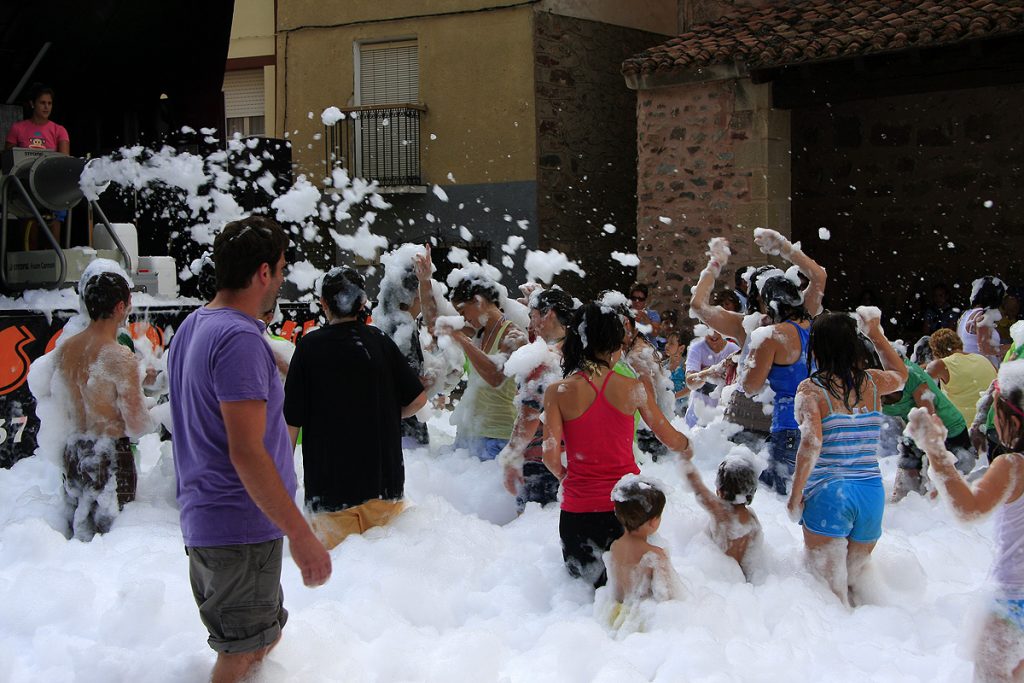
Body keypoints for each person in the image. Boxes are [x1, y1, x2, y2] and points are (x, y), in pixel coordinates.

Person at [167, 216, 331, 683]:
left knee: (259, 639)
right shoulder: (238, 338)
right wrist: (300, 534)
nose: (281, 279)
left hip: (215, 520)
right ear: (263, 273)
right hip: (238, 525)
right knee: (240, 654)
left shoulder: (195, 325)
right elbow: (247, 451)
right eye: (280, 269)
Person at [542, 301, 691, 587]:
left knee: (581, 597)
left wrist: (570, 479)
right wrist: (688, 445)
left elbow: (550, 457)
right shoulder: (633, 388)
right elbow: (668, 437)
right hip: (626, 510)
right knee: (631, 593)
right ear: (613, 344)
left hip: (577, 515)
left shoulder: (557, 392)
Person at [284, 267, 427, 549]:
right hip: (383, 484)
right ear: (362, 303)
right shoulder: (379, 342)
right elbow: (418, 400)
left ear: (323, 303)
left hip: (329, 489)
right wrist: (385, 413)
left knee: (338, 572)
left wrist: (283, 474)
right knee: (384, 567)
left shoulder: (309, 348)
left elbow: (292, 420)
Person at [906, 363, 1024, 683]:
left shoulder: (1013, 466)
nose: (992, 422)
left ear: (1013, 422)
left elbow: (968, 510)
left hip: (1013, 602)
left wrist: (935, 450)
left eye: (995, 415)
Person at [787, 310, 908, 607]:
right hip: (871, 495)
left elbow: (811, 444)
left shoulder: (810, 390)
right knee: (857, 588)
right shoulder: (873, 382)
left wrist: (795, 495)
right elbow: (902, 376)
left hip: (830, 493)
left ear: (816, 348)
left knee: (828, 598)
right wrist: (876, 333)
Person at [48, 271, 153, 541]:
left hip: (74, 454)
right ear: (120, 306)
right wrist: (155, 410)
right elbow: (137, 423)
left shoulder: (65, 350)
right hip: (110, 457)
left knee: (78, 536)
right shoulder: (119, 356)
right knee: (114, 543)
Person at [499, 287, 575, 513]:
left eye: (532, 316)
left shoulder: (543, 361)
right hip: (576, 457)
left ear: (548, 314)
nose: (530, 324)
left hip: (542, 461)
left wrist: (511, 456)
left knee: (530, 528)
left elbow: (529, 417)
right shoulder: (582, 354)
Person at [441, 270, 527, 460]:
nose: (463, 319)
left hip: (496, 437)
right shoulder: (479, 332)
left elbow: (496, 377)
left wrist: (463, 341)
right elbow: (434, 321)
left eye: (463, 312)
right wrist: (424, 280)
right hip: (468, 432)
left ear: (478, 301)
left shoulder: (513, 334)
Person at [741, 274, 812, 494]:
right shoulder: (819, 328)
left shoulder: (772, 336)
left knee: (779, 495)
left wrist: (752, 352)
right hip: (822, 420)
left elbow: (750, 386)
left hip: (789, 424)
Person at [885, 352, 973, 501]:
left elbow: (930, 424)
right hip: (914, 433)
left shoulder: (909, 375)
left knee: (946, 497)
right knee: (902, 497)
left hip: (948, 430)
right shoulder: (868, 385)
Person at [606, 475, 682, 623]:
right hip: (641, 619)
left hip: (616, 614)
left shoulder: (615, 547)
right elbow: (667, 597)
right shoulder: (655, 555)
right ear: (653, 522)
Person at [5, 83, 70, 249]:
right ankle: (29, 262)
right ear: (32, 104)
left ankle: (55, 260)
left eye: (49, 103)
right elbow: (8, 159)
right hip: (25, 187)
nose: (46, 107)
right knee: (30, 238)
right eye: (42, 103)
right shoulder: (17, 128)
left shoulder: (59, 130)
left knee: (53, 239)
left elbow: (64, 161)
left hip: (51, 187)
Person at [680, 453, 762, 580]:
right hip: (744, 578)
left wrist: (685, 460)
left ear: (721, 491)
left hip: (722, 580)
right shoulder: (752, 518)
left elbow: (699, 490)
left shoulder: (722, 516)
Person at [927, 328, 997, 427]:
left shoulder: (941, 364)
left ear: (935, 351)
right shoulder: (983, 359)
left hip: (964, 427)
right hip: (991, 424)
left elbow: (918, 381)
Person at [684, 325, 740, 429]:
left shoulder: (735, 350)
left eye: (717, 329)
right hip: (696, 417)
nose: (713, 334)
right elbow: (690, 382)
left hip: (723, 418)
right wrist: (707, 373)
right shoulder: (696, 348)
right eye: (709, 329)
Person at [959, 276, 1009, 368]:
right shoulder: (983, 316)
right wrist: (1013, 346)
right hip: (980, 370)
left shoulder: (966, 314)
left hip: (969, 367)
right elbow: (986, 349)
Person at [663, 331, 690, 417]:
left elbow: (690, 388)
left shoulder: (686, 366)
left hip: (682, 411)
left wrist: (673, 397)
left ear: (681, 348)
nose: (667, 345)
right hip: (665, 408)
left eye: (671, 343)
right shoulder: (662, 365)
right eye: (667, 342)